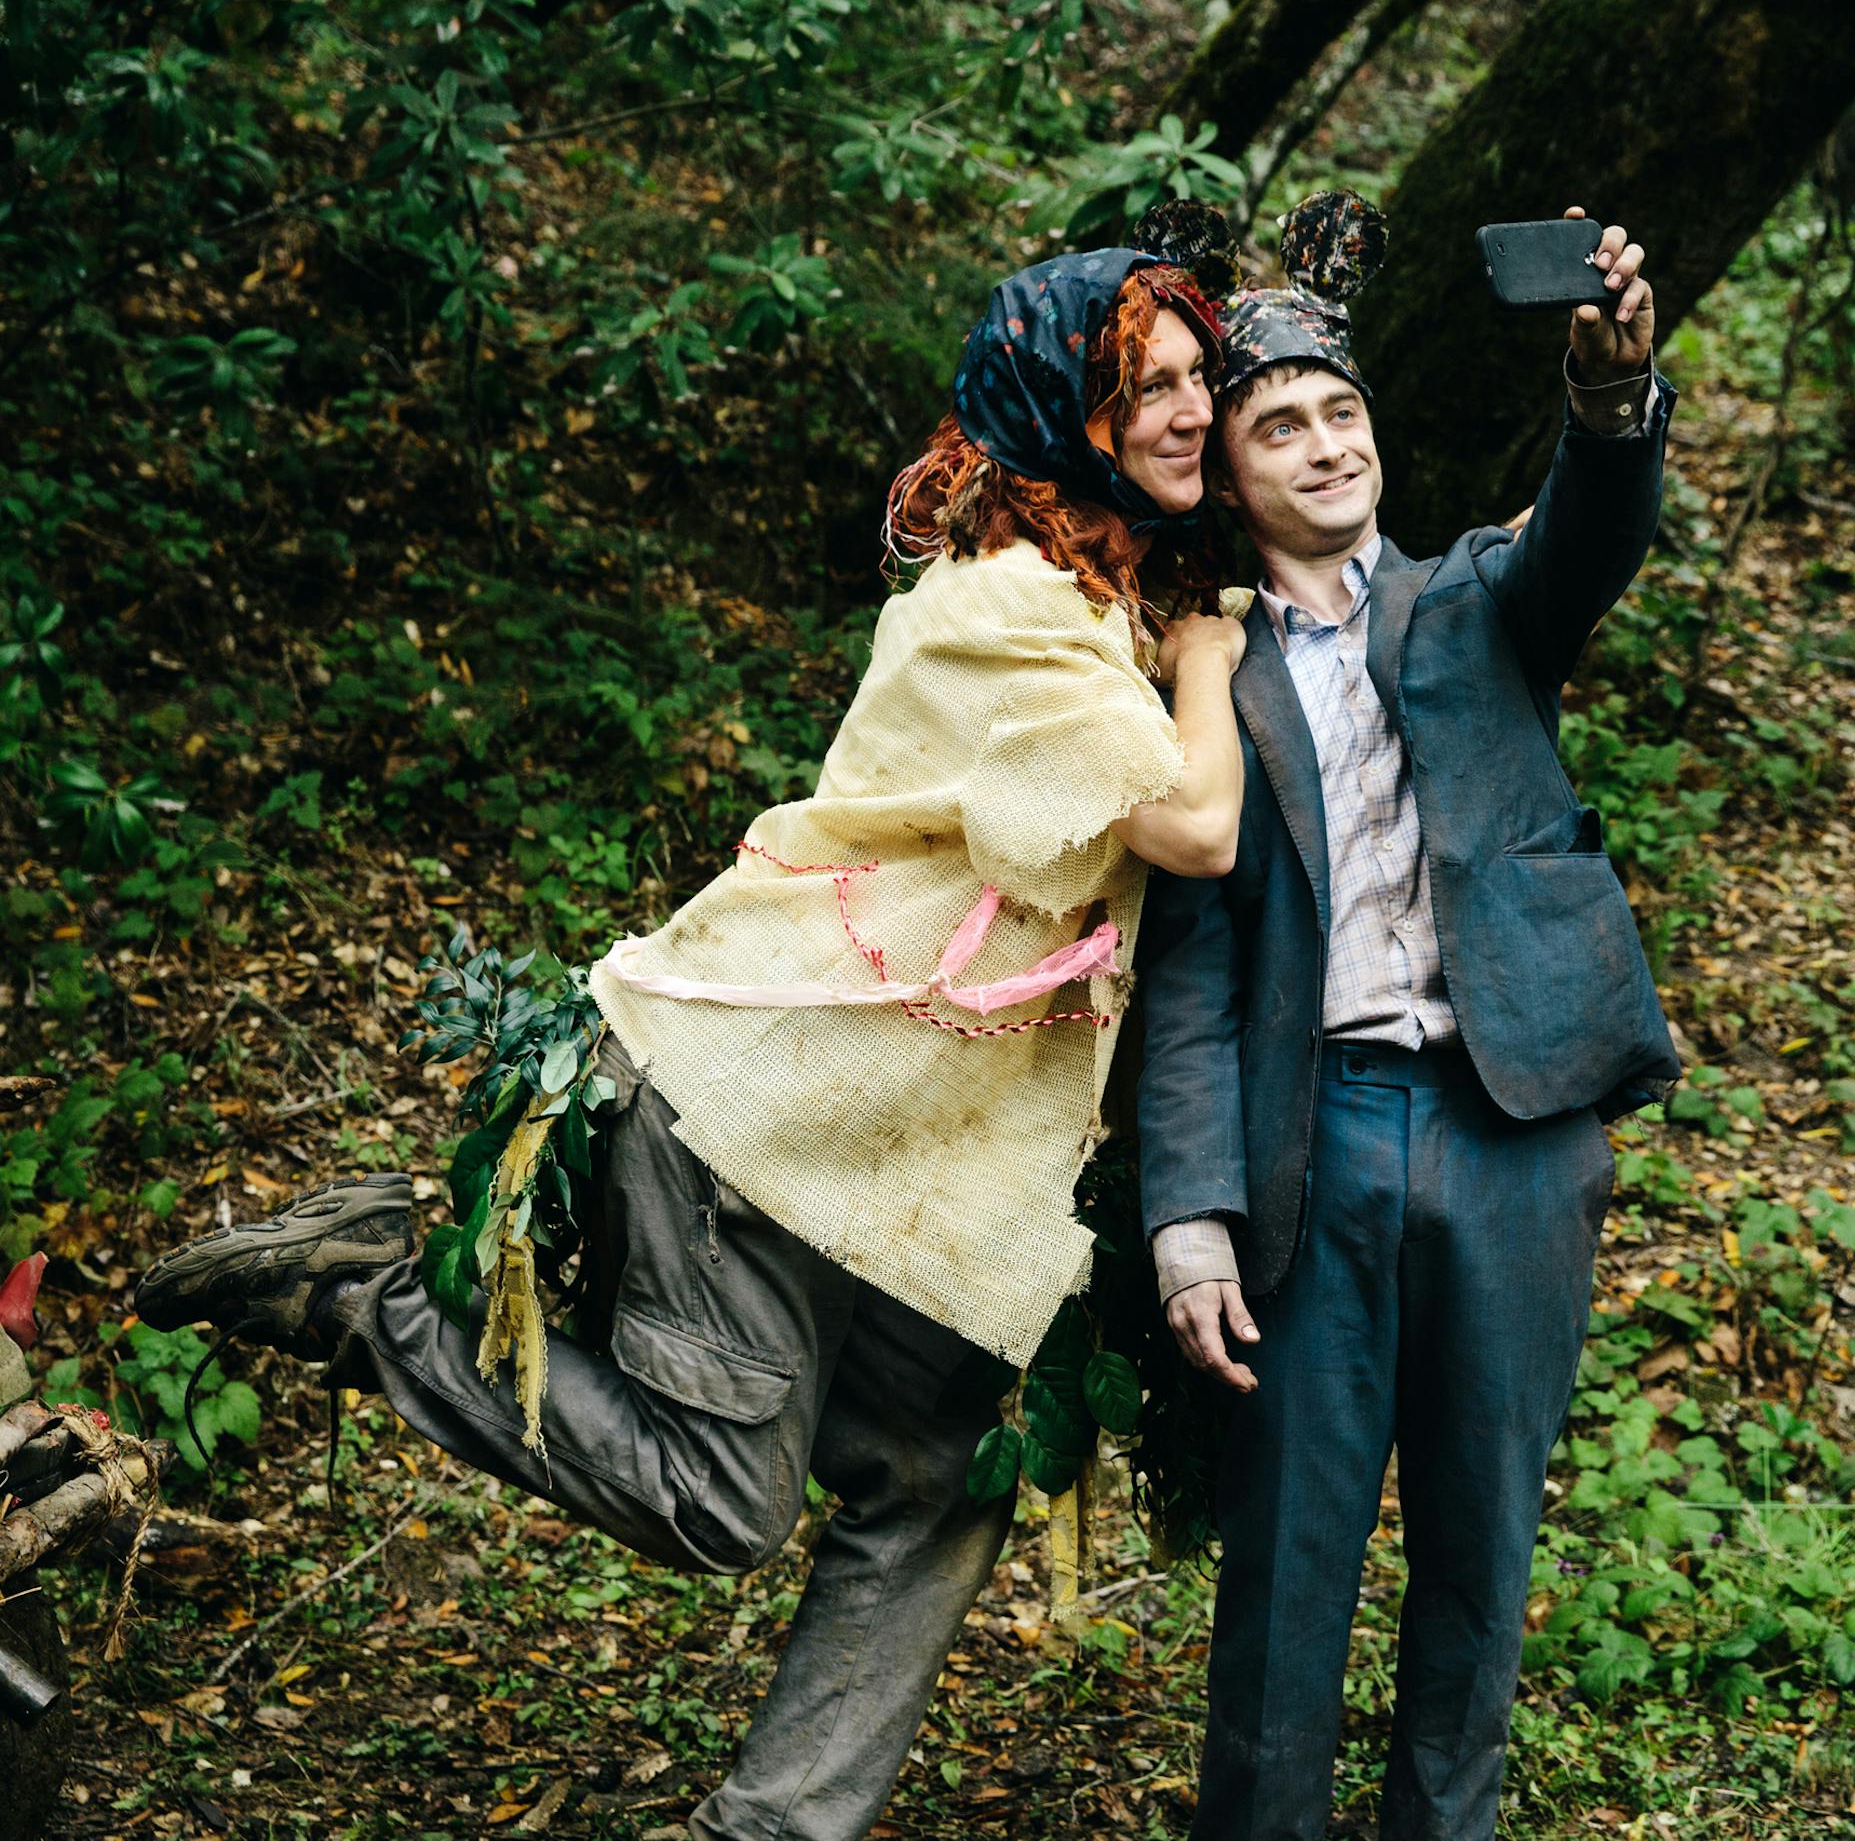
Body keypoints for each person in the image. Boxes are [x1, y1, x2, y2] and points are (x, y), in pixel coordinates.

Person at [137, 235, 1249, 1841]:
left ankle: (773, 1826)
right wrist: (1211, 656)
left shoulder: (1090, 593)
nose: (1188, 409)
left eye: (1198, 376)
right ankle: (377, 1292)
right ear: (1059, 407)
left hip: (893, 1147)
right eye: (1146, 385)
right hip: (753, 1112)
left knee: (942, 1475)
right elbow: (1196, 822)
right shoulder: (1010, 608)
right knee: (720, 1500)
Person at [1135, 192, 1680, 1841]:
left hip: (1514, 1137)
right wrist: (1189, 1222)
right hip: (1317, 1142)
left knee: (1477, 1564)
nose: (1321, 445)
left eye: (1341, 414)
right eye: (1278, 425)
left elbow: (1594, 528)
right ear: (1231, 476)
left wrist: (1607, 394)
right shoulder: (1203, 681)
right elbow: (1192, 969)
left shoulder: (1477, 599)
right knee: (1287, 1573)